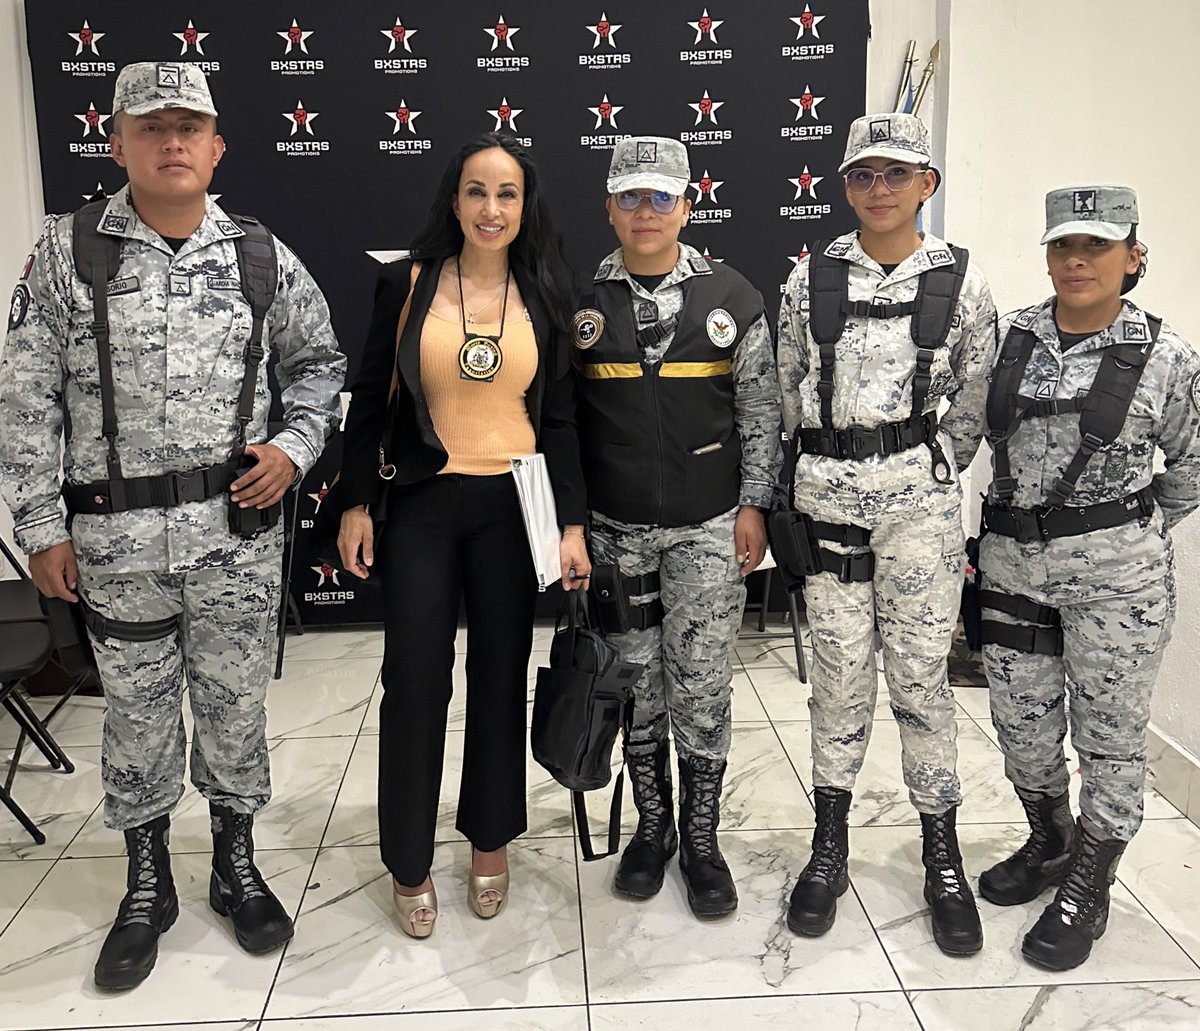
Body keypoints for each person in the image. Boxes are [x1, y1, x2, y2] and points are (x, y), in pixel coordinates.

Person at [0, 62, 346, 990]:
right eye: (151, 126)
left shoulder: (259, 255)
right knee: (138, 718)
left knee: (236, 706)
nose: (173, 141)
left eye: (190, 125)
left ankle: (235, 863)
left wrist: (294, 447)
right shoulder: (68, 253)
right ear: (116, 143)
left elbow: (320, 366)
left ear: (218, 144)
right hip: (114, 546)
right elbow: (27, 397)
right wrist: (40, 525)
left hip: (234, 539)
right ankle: (145, 878)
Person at [337, 132, 588, 939]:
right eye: (477, 191)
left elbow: (557, 420)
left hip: (519, 502)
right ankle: (408, 858)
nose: (491, 208)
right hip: (422, 502)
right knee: (415, 681)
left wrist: (570, 525)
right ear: (454, 199)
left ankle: (489, 839)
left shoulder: (545, 291)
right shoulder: (407, 284)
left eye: (506, 194)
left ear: (525, 207)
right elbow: (369, 400)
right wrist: (352, 503)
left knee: (499, 676)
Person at [776, 112, 997, 955]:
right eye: (862, 175)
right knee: (836, 679)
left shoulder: (964, 284)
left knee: (919, 681)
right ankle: (828, 846)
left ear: (926, 185)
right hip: (829, 497)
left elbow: (978, 392)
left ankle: (941, 850)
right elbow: (788, 381)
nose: (878, 189)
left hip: (920, 507)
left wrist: (938, 461)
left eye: (895, 174)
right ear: (846, 186)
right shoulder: (811, 277)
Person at [976, 186, 1200, 970]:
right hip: (1010, 569)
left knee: (1109, 738)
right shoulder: (1011, 340)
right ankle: (1048, 838)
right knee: (1022, 726)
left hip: (1118, 587)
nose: (1077, 260)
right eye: (1063, 245)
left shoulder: (1167, 356)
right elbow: (966, 429)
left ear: (1133, 257)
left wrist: (1127, 533)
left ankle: (1091, 880)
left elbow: (1194, 464)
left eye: (1098, 247)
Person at [572, 136, 781, 918]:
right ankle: (652, 829)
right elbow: (563, 422)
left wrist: (756, 502)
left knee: (701, 685)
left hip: (709, 529)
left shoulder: (733, 298)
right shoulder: (581, 303)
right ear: (610, 208)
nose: (646, 211)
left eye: (662, 197)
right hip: (616, 533)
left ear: (689, 205)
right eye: (630, 196)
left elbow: (760, 411)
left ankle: (700, 836)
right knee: (637, 686)